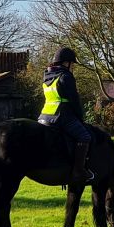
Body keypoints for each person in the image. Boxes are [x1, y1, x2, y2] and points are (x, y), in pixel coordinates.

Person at [37, 47, 93, 185]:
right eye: (72, 64)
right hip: (61, 116)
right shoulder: (66, 76)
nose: (72, 67)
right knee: (85, 136)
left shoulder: (47, 76)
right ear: (66, 63)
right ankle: (79, 171)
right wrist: (80, 117)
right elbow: (74, 101)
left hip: (44, 116)